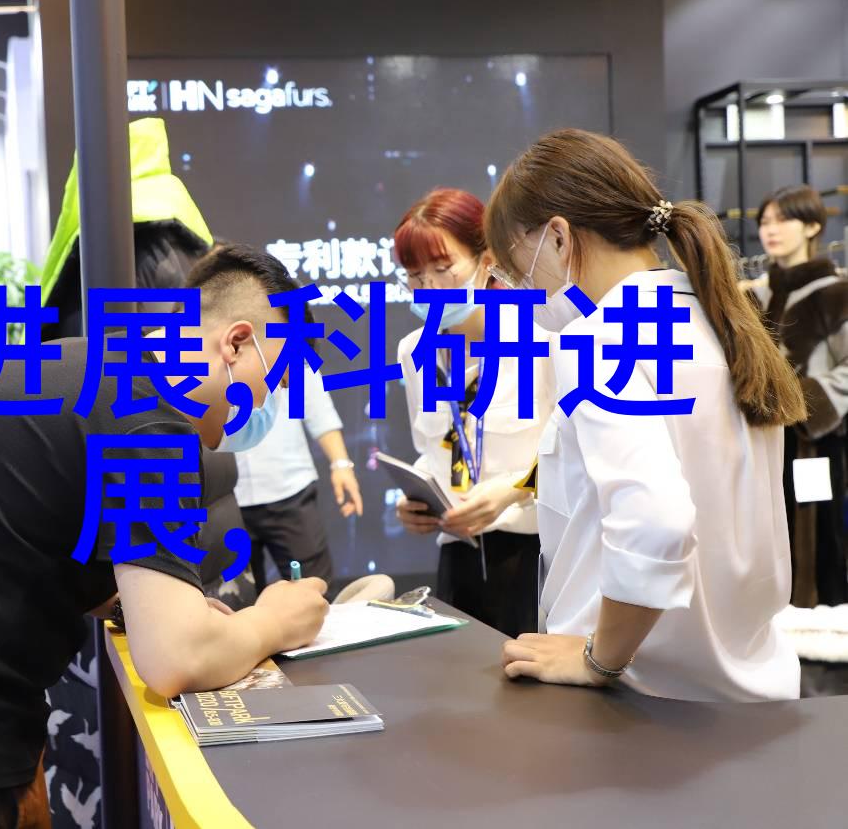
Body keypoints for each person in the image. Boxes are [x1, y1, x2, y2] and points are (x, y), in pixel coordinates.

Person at [0, 244, 330, 829]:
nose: (269, 403)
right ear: (234, 343)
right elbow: (175, 659)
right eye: (276, 379)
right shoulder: (151, 419)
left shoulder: (105, 371)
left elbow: (30, 528)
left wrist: (156, 607)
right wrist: (273, 621)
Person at [488, 128, 806, 701]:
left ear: (558, 237)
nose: (521, 292)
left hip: (639, 702)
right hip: (746, 690)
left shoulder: (597, 340)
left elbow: (656, 521)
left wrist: (600, 659)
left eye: (517, 270)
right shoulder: (722, 322)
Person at [392, 188, 551, 638]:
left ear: (486, 261)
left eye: (444, 270)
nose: (430, 288)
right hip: (458, 555)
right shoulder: (414, 352)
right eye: (416, 276)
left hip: (536, 554)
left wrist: (515, 491)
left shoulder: (541, 336)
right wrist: (418, 498)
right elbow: (431, 449)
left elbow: (579, 454)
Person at [746, 185, 847, 607]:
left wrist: (804, 402)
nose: (771, 230)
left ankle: (822, 612)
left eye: (783, 219)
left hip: (814, 443)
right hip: (761, 439)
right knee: (766, 527)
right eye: (765, 221)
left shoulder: (837, 293)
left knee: (818, 529)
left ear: (812, 226)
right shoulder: (753, 297)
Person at [233, 364, 363, 591]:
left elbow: (318, 406)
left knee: (313, 591)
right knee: (235, 598)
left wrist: (341, 464)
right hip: (225, 497)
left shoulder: (284, 345)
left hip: (290, 486)